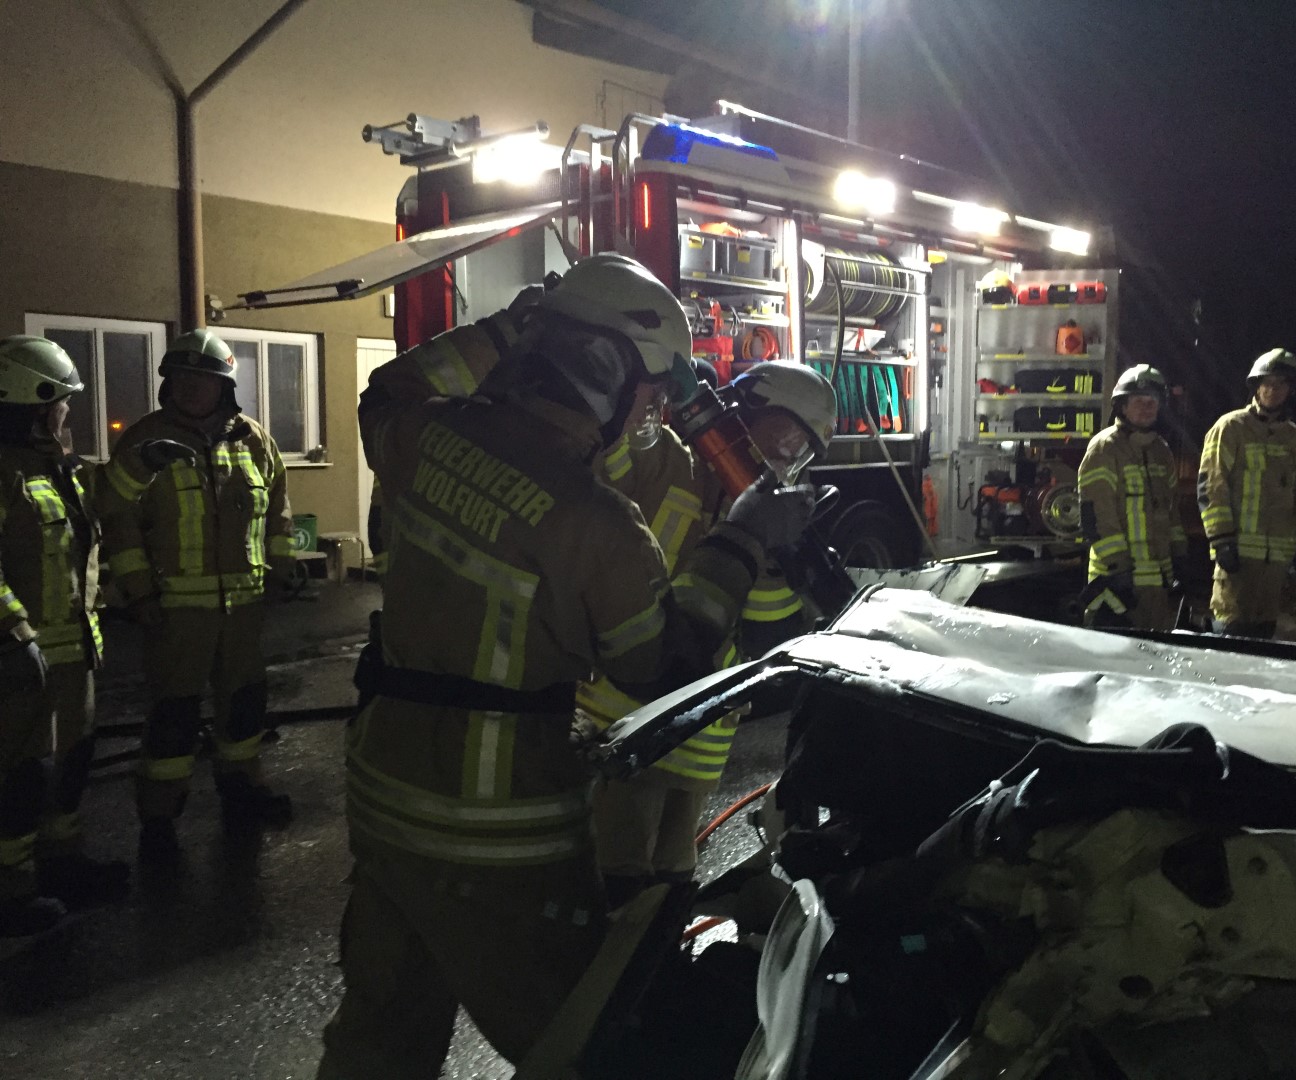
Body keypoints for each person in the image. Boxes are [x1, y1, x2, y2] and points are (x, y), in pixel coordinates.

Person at [317, 254, 815, 1078]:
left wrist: (511, 324)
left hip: (385, 798)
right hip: (498, 828)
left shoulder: (426, 435)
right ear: (607, 372)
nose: (653, 414)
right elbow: (663, 665)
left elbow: (390, 388)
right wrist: (743, 538)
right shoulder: (598, 523)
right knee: (585, 1043)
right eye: (649, 393)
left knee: (381, 1036)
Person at [584, 361, 837, 908]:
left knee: (671, 883)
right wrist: (649, 384)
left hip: (700, 736)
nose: (789, 457)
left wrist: (778, 554)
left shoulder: (769, 519)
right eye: (786, 437)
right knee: (616, 879)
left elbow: (767, 637)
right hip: (625, 719)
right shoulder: (668, 461)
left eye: (804, 451)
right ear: (743, 416)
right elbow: (612, 452)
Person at [97, 329, 295, 866]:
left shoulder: (254, 440)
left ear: (224, 385)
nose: (189, 387)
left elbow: (278, 507)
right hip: (175, 612)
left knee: (245, 705)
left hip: (245, 609)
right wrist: (139, 594)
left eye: (201, 378)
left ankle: (242, 790)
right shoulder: (144, 441)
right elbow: (117, 519)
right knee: (174, 715)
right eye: (179, 377)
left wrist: (282, 568)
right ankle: (159, 820)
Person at [0, 337, 131, 934]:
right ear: (33, 405)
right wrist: (13, 631)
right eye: (61, 403)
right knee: (22, 775)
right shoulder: (6, 473)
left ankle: (61, 865)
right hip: (20, 660)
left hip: (73, 653)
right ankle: (10, 889)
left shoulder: (56, 469)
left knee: (70, 765)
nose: (67, 414)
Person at [1195, 348, 1296, 638]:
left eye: (1281, 384)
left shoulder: (1293, 437)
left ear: (1291, 390)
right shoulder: (1231, 427)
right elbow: (1212, 485)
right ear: (1256, 386)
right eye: (1267, 383)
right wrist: (1221, 539)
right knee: (1229, 628)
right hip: (1237, 554)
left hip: (1276, 560)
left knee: (1264, 632)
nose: (1273, 390)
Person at [1077, 364, 1186, 631]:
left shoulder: (1162, 451)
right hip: (1116, 586)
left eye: (1152, 402)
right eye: (1139, 401)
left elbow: (1172, 511)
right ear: (1122, 406)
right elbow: (1097, 516)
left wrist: (1180, 555)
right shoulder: (1105, 448)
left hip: (1157, 583)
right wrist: (1118, 569)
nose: (1146, 408)